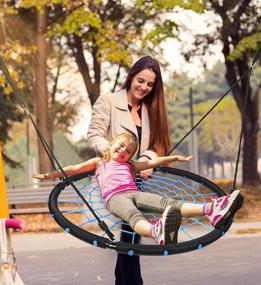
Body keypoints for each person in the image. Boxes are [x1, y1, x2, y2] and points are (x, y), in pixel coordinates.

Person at [33, 133, 242, 245]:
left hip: (134, 192)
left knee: (168, 204)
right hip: (115, 198)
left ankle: (211, 210)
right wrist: (52, 175)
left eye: (128, 151)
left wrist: (175, 157)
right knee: (133, 216)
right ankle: (155, 231)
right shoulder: (99, 162)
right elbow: (74, 169)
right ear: (111, 145)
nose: (123, 151)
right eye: (121, 146)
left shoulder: (130, 165)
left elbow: (153, 163)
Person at [86, 55, 171, 285]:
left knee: (129, 234)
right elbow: (94, 137)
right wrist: (118, 156)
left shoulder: (152, 109)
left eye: (150, 84)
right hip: (115, 179)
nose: (144, 87)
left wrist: (147, 158)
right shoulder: (109, 101)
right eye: (141, 80)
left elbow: (158, 144)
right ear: (132, 76)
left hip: (138, 180)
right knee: (131, 232)